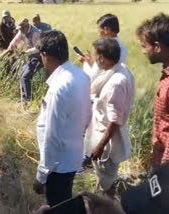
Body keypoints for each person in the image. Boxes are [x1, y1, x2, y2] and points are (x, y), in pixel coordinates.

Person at [33, 30, 91, 213]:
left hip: (57, 165)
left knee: (58, 207)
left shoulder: (59, 88)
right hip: (72, 157)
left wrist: (41, 176)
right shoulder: (81, 76)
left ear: (45, 55)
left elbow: (52, 138)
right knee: (65, 202)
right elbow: (88, 115)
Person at [84, 38, 134, 198]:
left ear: (102, 58)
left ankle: (108, 204)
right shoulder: (119, 69)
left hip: (107, 142)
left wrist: (100, 146)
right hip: (103, 134)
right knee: (106, 178)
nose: (95, 59)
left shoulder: (115, 84)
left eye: (96, 55)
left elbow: (115, 120)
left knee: (106, 182)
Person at [79, 13, 128, 171]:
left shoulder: (110, 47)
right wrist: (92, 63)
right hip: (103, 92)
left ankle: (89, 158)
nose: (98, 32)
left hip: (101, 93)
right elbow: (103, 68)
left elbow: (98, 73)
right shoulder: (120, 47)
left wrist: (88, 65)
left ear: (107, 29)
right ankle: (89, 158)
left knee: (95, 126)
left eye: (100, 29)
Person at [136, 13, 169, 169]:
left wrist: (164, 171)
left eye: (144, 45)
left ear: (157, 47)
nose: (143, 51)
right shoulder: (165, 75)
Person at [7, 19, 42, 104]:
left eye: (21, 29)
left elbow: (38, 48)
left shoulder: (35, 33)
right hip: (31, 56)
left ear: (26, 26)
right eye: (19, 29)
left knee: (25, 77)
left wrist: (26, 52)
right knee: (21, 74)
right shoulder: (22, 31)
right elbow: (16, 40)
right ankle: (24, 98)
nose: (20, 31)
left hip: (39, 57)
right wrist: (10, 46)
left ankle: (28, 99)